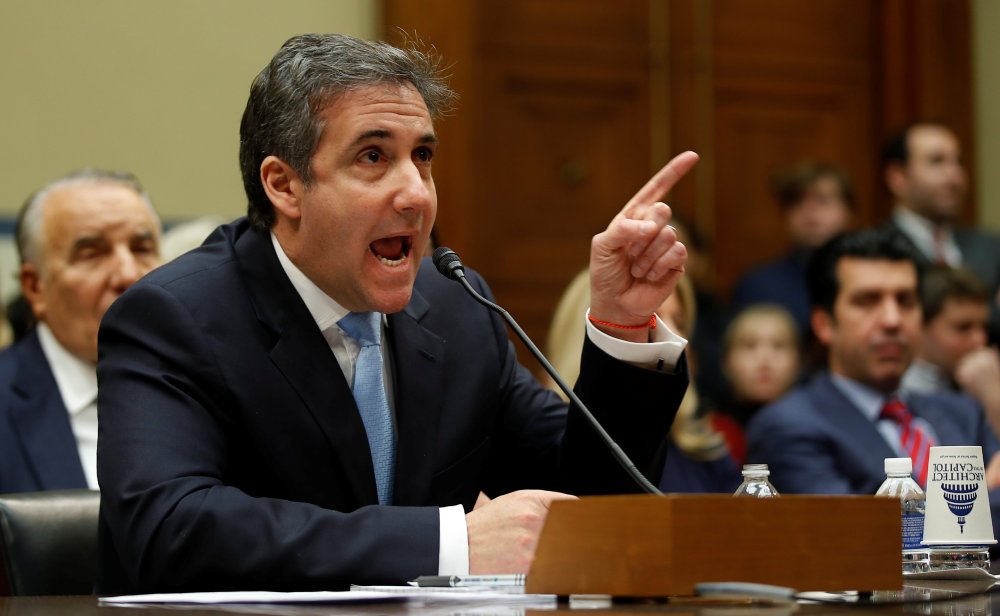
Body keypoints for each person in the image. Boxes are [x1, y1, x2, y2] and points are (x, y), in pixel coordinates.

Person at [96, 33, 696, 593]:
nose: (416, 194)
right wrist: (448, 543)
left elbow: (590, 499)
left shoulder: (458, 309)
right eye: (374, 157)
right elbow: (166, 526)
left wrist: (620, 325)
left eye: (423, 155)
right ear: (284, 186)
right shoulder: (175, 317)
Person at [745, 227, 1000, 539]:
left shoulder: (963, 413)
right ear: (824, 324)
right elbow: (859, 538)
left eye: (905, 300)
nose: (893, 320)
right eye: (868, 301)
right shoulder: (788, 425)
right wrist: (975, 500)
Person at [0, 169, 162, 493]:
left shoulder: (215, 386)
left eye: (142, 249)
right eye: (92, 254)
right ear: (35, 288)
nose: (128, 274)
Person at [546, 269, 740, 494]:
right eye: (651, 321)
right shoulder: (543, 443)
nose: (679, 340)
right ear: (593, 337)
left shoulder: (706, 449)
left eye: (679, 322)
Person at [882, 122, 1000, 339]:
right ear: (897, 177)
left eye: (959, 162)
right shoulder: (877, 250)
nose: (954, 176)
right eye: (937, 162)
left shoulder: (991, 247)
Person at [731, 160, 854, 335]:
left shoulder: (869, 280)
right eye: (797, 201)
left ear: (847, 211)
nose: (810, 209)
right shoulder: (757, 286)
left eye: (823, 200)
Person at [902, 265, 1000, 436]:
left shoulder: (978, 382)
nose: (979, 340)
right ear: (920, 326)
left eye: (984, 327)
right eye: (963, 328)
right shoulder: (898, 391)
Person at [710, 304, 800, 466]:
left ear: (798, 362)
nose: (764, 360)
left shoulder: (813, 428)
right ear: (726, 361)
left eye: (779, 345)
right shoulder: (706, 435)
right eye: (749, 345)